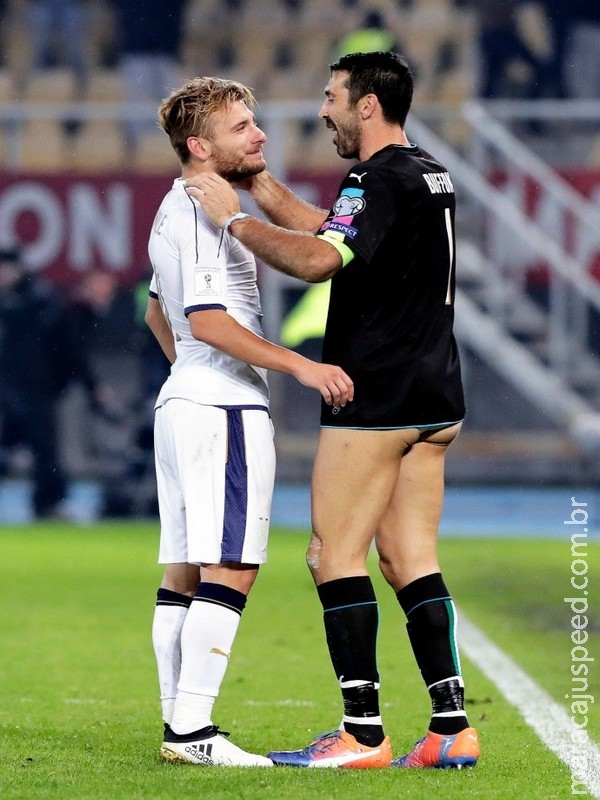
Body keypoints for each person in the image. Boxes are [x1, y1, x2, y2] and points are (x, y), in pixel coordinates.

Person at [185, 50, 480, 769]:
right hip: (435, 396)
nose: (323, 110)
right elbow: (335, 231)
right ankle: (450, 727)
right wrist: (260, 186)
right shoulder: (426, 171)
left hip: (375, 395)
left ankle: (363, 734)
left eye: (331, 96)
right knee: (409, 557)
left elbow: (320, 260)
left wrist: (232, 221)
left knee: (331, 556)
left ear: (367, 104)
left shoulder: (373, 177)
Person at [145, 76, 353, 768]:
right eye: (242, 127)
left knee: (183, 568)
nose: (259, 135)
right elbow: (208, 319)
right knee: (232, 563)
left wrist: (190, 373)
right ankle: (193, 732)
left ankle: (179, 721)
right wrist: (300, 367)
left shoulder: (173, 206)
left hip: (185, 399)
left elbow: (159, 313)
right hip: (221, 406)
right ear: (200, 145)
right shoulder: (209, 211)